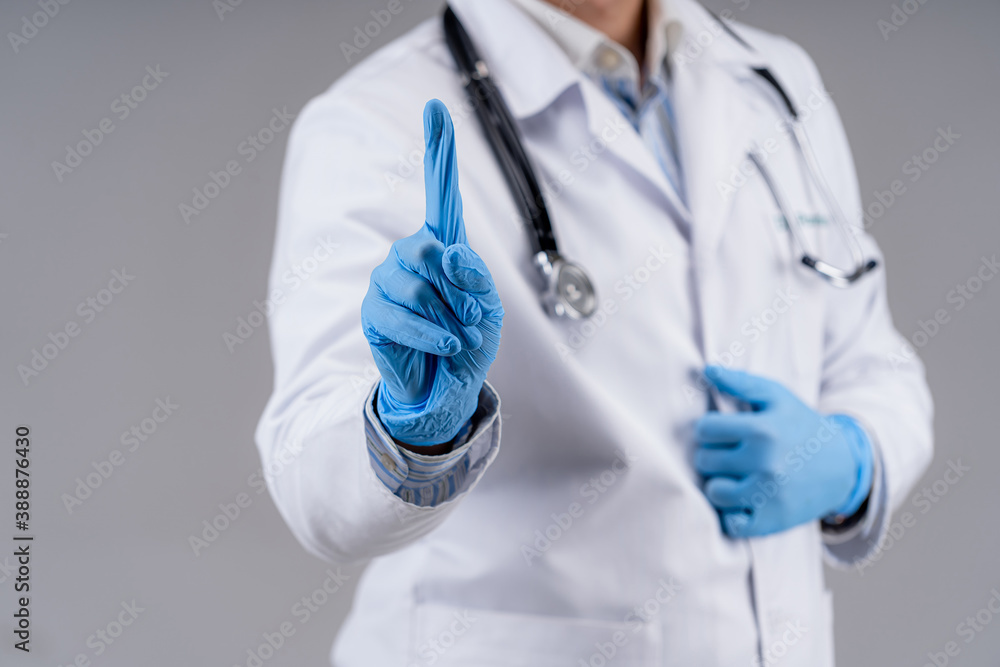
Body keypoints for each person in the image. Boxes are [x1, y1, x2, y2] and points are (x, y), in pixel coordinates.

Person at [255, 0, 933, 664]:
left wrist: (853, 459)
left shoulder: (774, 81)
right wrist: (408, 429)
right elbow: (310, 476)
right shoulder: (373, 123)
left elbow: (874, 362)